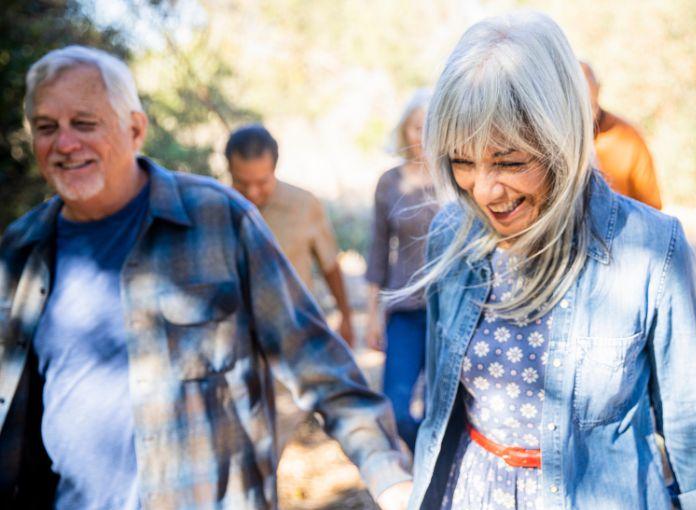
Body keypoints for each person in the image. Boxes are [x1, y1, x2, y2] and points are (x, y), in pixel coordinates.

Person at [0, 45, 411, 509]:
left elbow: (320, 366)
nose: (65, 144)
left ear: (135, 129)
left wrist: (389, 477)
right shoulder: (20, 249)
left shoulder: (219, 219)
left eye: (84, 123)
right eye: (47, 128)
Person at [401, 13, 696, 509]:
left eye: (511, 162)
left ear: (563, 140)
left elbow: (692, 436)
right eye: (462, 161)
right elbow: (441, 412)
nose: (485, 190)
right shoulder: (450, 237)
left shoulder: (651, 249)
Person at [225, 124, 355, 345]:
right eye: (241, 183)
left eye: (261, 182)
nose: (252, 193)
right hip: (238, 335)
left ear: (274, 168)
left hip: (296, 332)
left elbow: (330, 265)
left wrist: (345, 317)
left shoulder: (304, 205)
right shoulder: (216, 207)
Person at [364, 89, 439, 453]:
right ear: (404, 131)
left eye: (429, 127)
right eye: (415, 127)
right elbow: (378, 251)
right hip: (404, 311)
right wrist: (372, 316)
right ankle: (422, 460)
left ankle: (433, 482)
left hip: (448, 311)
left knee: (441, 410)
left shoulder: (456, 178)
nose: (421, 136)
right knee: (395, 408)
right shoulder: (389, 183)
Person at [581, 61, 663, 209]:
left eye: (590, 106)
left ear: (598, 89)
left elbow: (652, 206)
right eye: (578, 108)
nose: (585, 116)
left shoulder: (627, 137)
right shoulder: (550, 140)